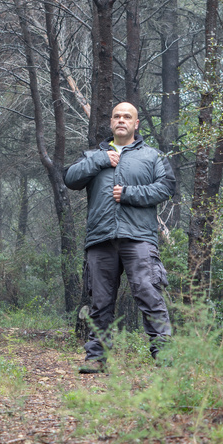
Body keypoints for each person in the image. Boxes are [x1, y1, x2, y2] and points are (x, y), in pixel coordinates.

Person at [64, 102, 176, 373]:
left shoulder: (152, 156)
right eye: (117, 116)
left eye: (128, 117)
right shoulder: (94, 155)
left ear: (136, 124)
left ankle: (165, 357)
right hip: (101, 238)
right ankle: (95, 358)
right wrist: (101, 159)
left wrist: (129, 194)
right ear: (111, 122)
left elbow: (166, 187)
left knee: (149, 294)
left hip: (139, 238)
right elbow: (70, 178)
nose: (121, 120)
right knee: (100, 302)